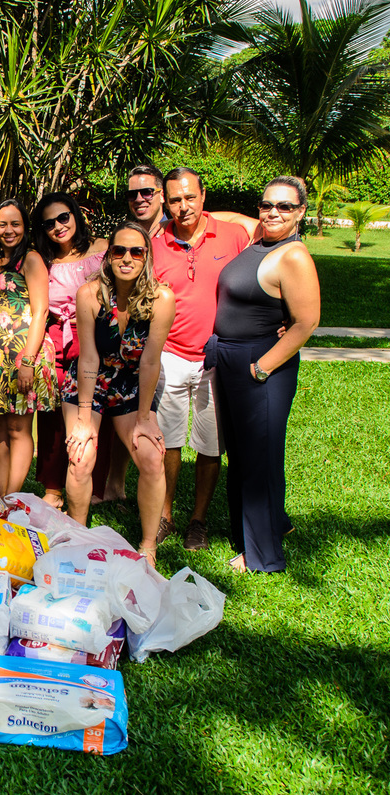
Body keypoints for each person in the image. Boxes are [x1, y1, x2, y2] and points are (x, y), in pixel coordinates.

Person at [212, 177, 320, 573]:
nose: (273, 212)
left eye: (285, 206)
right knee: (242, 454)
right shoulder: (259, 237)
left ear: (301, 212)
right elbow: (224, 217)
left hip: (261, 366)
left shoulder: (293, 256)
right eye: (266, 204)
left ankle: (263, 556)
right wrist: (183, 215)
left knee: (259, 458)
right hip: (232, 361)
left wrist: (263, 366)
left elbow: (306, 322)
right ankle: (269, 525)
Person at [63, 222, 175, 567]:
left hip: (132, 384)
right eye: (119, 250)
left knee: (152, 457)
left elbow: (151, 361)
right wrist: (84, 419)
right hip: (90, 381)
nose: (127, 258)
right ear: (108, 255)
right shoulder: (90, 294)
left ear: (147, 256)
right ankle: (77, 537)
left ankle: (148, 546)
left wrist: (144, 419)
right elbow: (88, 357)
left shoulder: (162, 298)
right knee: (81, 455)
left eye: (136, 251)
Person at [152, 166, 250, 551]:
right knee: (169, 441)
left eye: (190, 197)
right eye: (175, 200)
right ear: (166, 202)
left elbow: (266, 267)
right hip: (170, 355)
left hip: (217, 356)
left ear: (204, 196)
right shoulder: (156, 243)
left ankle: (198, 520)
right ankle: (165, 515)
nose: (184, 206)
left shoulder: (233, 235)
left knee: (210, 444)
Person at [30, 192, 126, 509]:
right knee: (53, 415)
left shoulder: (103, 250)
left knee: (96, 410)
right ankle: (53, 488)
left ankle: (93, 484)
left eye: (63, 217)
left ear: (75, 215)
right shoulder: (43, 260)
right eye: (49, 223)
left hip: (96, 338)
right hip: (57, 338)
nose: (58, 226)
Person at [0, 199, 56, 496]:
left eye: (15, 224)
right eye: (2, 224)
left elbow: (41, 311)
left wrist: (28, 361)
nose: (8, 230)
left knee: (18, 428)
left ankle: (12, 497)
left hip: (25, 351)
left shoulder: (30, 259)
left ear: (25, 227)